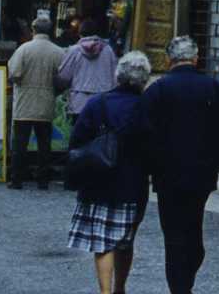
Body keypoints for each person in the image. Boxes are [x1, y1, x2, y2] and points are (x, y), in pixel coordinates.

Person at [137, 35, 219, 294]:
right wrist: (218, 160)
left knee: (173, 235)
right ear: (196, 59)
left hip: (168, 175)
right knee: (192, 230)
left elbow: (142, 131)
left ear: (168, 59)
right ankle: (184, 284)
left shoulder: (157, 90)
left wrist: (152, 164)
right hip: (201, 174)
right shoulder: (213, 88)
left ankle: (179, 288)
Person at [66, 49, 153, 294]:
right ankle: (120, 289)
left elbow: (76, 141)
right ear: (144, 79)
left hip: (99, 181)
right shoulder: (147, 107)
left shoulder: (98, 103)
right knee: (125, 241)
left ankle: (105, 292)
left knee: (103, 243)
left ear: (118, 76)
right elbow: (153, 147)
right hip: (132, 184)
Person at [7, 11, 64, 189]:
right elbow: (63, 78)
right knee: (44, 145)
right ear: (50, 31)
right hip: (46, 101)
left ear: (33, 30)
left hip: (24, 102)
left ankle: (17, 179)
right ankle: (43, 180)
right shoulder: (58, 52)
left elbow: (14, 74)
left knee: (20, 144)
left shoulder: (23, 49)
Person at [58, 18, 118, 118]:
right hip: (102, 103)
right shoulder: (108, 50)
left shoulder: (74, 50)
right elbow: (115, 78)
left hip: (78, 103)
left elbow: (64, 76)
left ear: (80, 33)